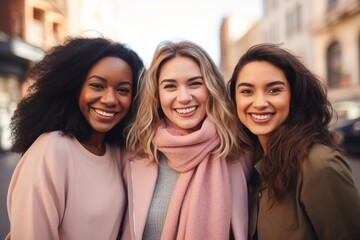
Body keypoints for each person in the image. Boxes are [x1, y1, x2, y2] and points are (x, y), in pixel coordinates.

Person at [6, 36, 144, 239]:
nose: (110, 100)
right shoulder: (52, 149)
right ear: (75, 88)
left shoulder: (116, 152)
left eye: (123, 90)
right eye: (97, 86)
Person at [120, 40, 252, 240]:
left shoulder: (239, 151)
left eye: (195, 84)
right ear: (156, 94)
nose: (184, 97)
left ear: (211, 88)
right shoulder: (136, 154)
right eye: (170, 86)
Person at [228, 43, 360, 240]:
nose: (260, 103)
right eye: (247, 91)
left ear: (293, 97)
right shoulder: (247, 165)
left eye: (274, 90)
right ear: (235, 100)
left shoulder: (318, 164)